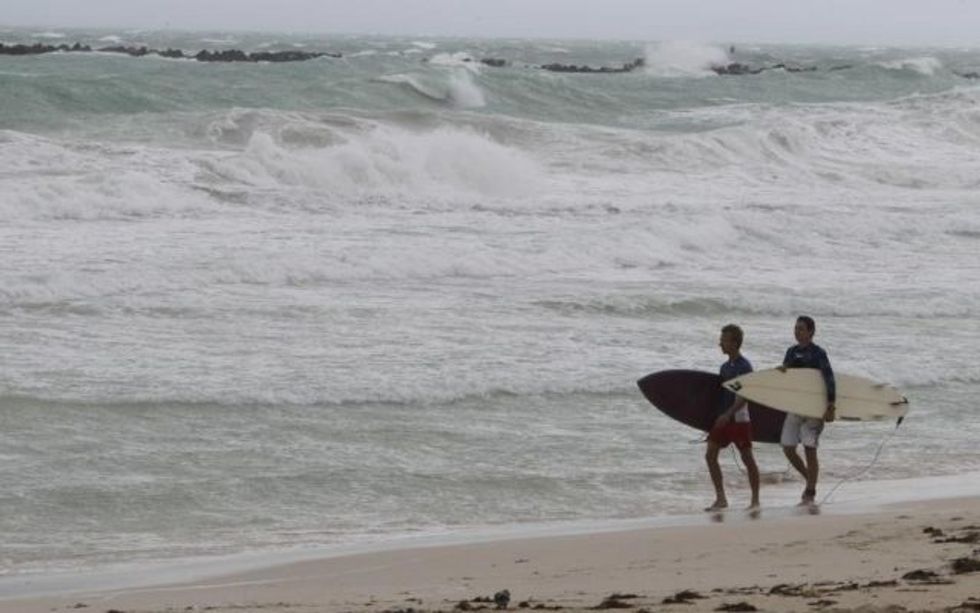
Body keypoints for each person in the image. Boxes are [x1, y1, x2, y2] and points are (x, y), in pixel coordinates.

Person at [779, 315, 836, 506]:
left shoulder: (818, 353)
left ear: (811, 332)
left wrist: (830, 406)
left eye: (801, 328)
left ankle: (810, 491)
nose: (797, 331)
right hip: (795, 406)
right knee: (787, 447)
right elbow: (786, 378)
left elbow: (828, 378)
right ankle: (809, 478)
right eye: (795, 328)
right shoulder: (791, 352)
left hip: (814, 409)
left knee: (809, 449)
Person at [704, 324, 761, 511]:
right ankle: (721, 498)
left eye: (724, 340)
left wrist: (729, 414)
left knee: (747, 458)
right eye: (721, 339)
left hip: (739, 419)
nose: (720, 343)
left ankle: (755, 500)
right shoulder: (724, 367)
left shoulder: (745, 367)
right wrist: (712, 419)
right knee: (710, 454)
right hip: (723, 419)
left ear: (734, 343)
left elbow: (745, 395)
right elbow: (722, 395)